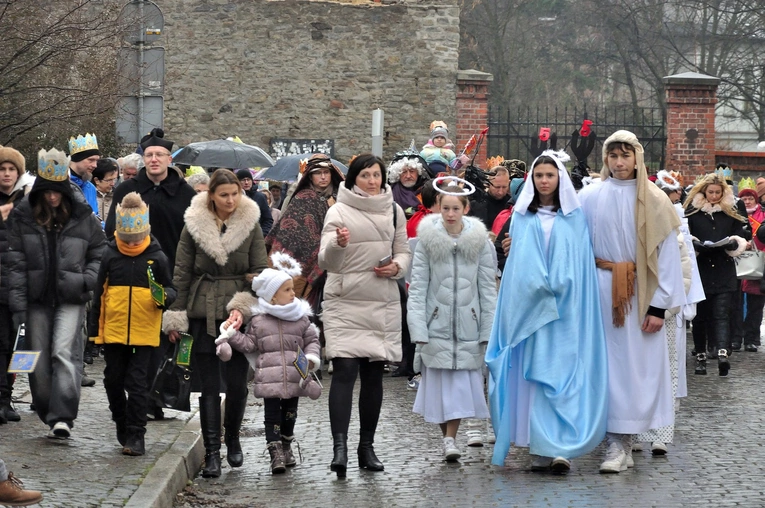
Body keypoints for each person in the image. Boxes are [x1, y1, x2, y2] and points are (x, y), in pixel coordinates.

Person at [485, 151, 607, 473]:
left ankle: (559, 446)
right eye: (538, 175)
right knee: (533, 373)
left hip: (565, 309)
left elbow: (580, 264)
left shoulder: (574, 218)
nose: (543, 180)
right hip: (531, 308)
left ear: (560, 179)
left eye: (549, 175)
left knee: (561, 373)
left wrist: (570, 293)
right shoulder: (522, 217)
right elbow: (513, 264)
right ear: (531, 180)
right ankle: (537, 444)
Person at [577, 130, 686, 474]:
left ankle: (623, 440)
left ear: (637, 158)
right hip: (598, 289)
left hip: (640, 293)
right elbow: (571, 241)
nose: (619, 162)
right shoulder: (590, 196)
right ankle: (610, 438)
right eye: (613, 156)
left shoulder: (655, 200)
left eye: (625, 155)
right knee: (603, 366)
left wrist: (659, 306)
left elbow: (667, 257)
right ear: (605, 159)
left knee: (633, 368)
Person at [162, 168, 269, 478]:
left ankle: (232, 438)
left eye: (235, 194)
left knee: (236, 385)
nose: (231, 200)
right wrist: (176, 317)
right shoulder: (193, 224)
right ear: (211, 195)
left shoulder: (250, 223)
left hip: (237, 312)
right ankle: (211, 453)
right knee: (209, 386)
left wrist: (242, 307)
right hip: (203, 308)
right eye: (224, 195)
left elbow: (259, 271)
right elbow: (181, 272)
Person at [319, 153, 411, 477]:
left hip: (380, 300)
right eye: (365, 175)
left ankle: (366, 447)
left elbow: (404, 251)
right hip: (344, 300)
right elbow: (325, 260)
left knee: (374, 375)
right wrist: (339, 244)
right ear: (352, 179)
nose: (372, 181)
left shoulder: (395, 211)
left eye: (377, 175)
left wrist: (397, 267)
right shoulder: (338, 210)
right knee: (344, 369)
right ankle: (340, 447)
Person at [6, 148, 106, 440]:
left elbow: (99, 251)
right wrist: (18, 303)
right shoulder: (23, 217)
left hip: (71, 296)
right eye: (47, 192)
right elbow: (16, 263)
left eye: (56, 192)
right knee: (37, 358)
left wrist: (87, 279)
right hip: (36, 298)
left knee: (64, 352)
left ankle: (62, 415)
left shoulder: (81, 215)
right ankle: (47, 408)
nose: (52, 197)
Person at [106, 127, 196, 421]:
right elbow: (112, 230)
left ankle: (155, 396)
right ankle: (139, 396)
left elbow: (194, 233)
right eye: (149, 155)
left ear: (170, 159)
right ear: (143, 159)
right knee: (135, 340)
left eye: (159, 155)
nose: (154, 159)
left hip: (171, 272)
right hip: (130, 273)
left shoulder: (186, 194)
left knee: (163, 339)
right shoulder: (125, 190)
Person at [407, 178, 496, 462]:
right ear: (438, 208)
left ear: (466, 209)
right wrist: (419, 326)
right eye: (445, 208)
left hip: (468, 325)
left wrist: (487, 328)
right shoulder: (426, 243)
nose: (450, 214)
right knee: (440, 390)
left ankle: (449, 439)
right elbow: (418, 287)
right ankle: (447, 438)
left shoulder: (479, 243)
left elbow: (487, 289)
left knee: (458, 390)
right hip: (437, 325)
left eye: (455, 208)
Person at [88, 192, 176, 456]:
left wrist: (164, 298)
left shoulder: (157, 257)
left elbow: (171, 288)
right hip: (114, 329)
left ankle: (137, 434)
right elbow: (99, 293)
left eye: (137, 237)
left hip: (145, 330)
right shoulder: (110, 255)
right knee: (112, 380)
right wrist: (94, 334)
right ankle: (121, 419)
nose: (133, 242)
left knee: (137, 383)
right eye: (129, 238)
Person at [216, 253, 321, 474]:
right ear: (272, 297)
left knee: (290, 415)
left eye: (293, 289)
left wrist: (311, 359)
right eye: (287, 290)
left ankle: (287, 445)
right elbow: (249, 345)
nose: (294, 293)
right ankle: (275, 454)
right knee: (271, 417)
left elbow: (312, 340)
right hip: (270, 380)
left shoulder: (301, 317)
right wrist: (232, 335)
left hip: (295, 377)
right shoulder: (259, 321)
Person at [685, 173, 750, 375]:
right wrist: (694, 243)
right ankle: (701, 356)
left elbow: (743, 232)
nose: (714, 196)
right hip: (701, 269)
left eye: (717, 192)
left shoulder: (730, 211)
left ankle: (722, 352)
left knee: (722, 313)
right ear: (704, 191)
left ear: (723, 193)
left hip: (723, 267)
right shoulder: (693, 212)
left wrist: (734, 242)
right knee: (701, 316)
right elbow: (684, 233)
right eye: (710, 192)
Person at [266, 154, 345, 299]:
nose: (323, 177)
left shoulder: (340, 198)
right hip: (301, 261)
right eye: (318, 173)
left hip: (337, 260)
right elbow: (290, 232)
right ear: (310, 176)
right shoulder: (302, 199)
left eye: (326, 172)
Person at [0, 146, 32, 423]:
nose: (7, 174)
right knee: (1, 343)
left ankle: (8, 394)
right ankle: (1, 398)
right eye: (2, 169)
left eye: (11, 169)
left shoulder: (29, 201)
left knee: (20, 346)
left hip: (22, 285)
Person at [738, 179, 765, 353]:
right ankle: (736, 336)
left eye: (750, 198)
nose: (747, 202)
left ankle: (752, 337)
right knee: (736, 304)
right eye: (744, 199)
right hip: (739, 261)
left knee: (756, 305)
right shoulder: (736, 214)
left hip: (759, 262)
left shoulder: (763, 215)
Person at [388, 150, 431, 219]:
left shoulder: (428, 191)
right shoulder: (390, 192)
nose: (408, 176)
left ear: (418, 173)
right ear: (398, 174)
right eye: (404, 172)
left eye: (412, 171)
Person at [469, 166, 512, 230]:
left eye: (504, 187)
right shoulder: (475, 204)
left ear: (509, 183)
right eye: (497, 187)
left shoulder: (513, 205)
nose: (501, 192)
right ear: (488, 183)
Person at [67, 132, 100, 214]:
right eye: (91, 160)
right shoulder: (61, 185)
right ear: (77, 159)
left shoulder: (91, 188)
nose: (95, 165)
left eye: (96, 161)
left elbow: (96, 217)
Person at [235, 168, 273, 237]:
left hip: (256, 237)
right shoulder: (234, 197)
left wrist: (262, 234)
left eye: (248, 180)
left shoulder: (260, 197)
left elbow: (268, 219)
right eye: (243, 180)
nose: (246, 182)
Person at [92, 158, 118, 223]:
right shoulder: (88, 196)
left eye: (114, 179)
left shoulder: (117, 196)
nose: (112, 184)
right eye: (109, 180)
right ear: (97, 180)